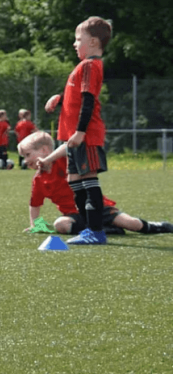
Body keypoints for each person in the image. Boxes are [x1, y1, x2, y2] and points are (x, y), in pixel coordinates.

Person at [18, 131, 173, 235]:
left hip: (97, 207)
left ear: (44, 150)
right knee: (61, 225)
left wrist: (48, 159)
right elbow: (35, 204)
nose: (25, 160)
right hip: (76, 216)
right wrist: (34, 224)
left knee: (132, 224)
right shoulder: (38, 179)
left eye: (27, 155)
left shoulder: (64, 161)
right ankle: (106, 230)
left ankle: (157, 226)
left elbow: (68, 145)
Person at [44, 16, 112, 245]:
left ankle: (96, 232)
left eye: (78, 39)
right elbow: (76, 97)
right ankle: (89, 229)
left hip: (85, 137)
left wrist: (81, 131)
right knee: (75, 183)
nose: (75, 44)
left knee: (88, 181)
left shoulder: (90, 65)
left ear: (93, 42)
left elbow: (88, 100)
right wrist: (60, 99)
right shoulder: (84, 66)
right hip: (74, 137)